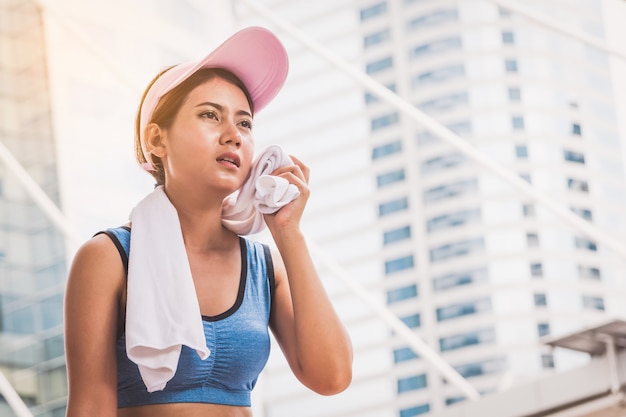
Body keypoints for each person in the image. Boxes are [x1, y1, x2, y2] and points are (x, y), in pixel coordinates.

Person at [64, 26, 353, 417]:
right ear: (156, 140)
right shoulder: (108, 258)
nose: (233, 135)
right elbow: (90, 408)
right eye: (210, 116)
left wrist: (288, 232)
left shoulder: (263, 266)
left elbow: (332, 376)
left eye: (245, 123)